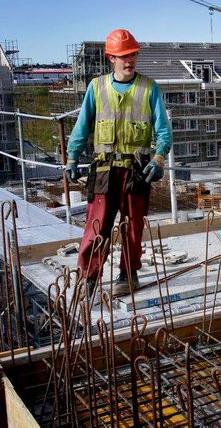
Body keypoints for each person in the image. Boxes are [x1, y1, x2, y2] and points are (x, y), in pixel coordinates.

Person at [65, 29, 172, 297]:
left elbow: (163, 131)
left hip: (136, 171)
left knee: (132, 226)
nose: (129, 60)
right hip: (104, 170)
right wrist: (72, 157)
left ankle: (128, 273)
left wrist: (159, 158)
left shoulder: (148, 88)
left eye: (133, 54)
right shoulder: (97, 87)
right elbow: (82, 126)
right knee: (96, 226)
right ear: (111, 57)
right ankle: (88, 278)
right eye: (124, 55)